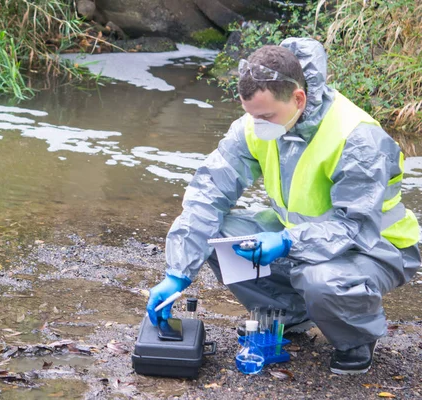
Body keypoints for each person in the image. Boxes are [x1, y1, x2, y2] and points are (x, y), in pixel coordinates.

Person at [146, 37, 421, 375]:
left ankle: (355, 338)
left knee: (318, 278)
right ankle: (289, 316)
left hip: (376, 245)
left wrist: (288, 241)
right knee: (217, 236)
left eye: (266, 115)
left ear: (298, 98)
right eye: (251, 115)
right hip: (308, 235)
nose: (257, 124)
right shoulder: (256, 125)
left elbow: (354, 225)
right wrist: (177, 273)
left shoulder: (357, 138)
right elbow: (207, 195)